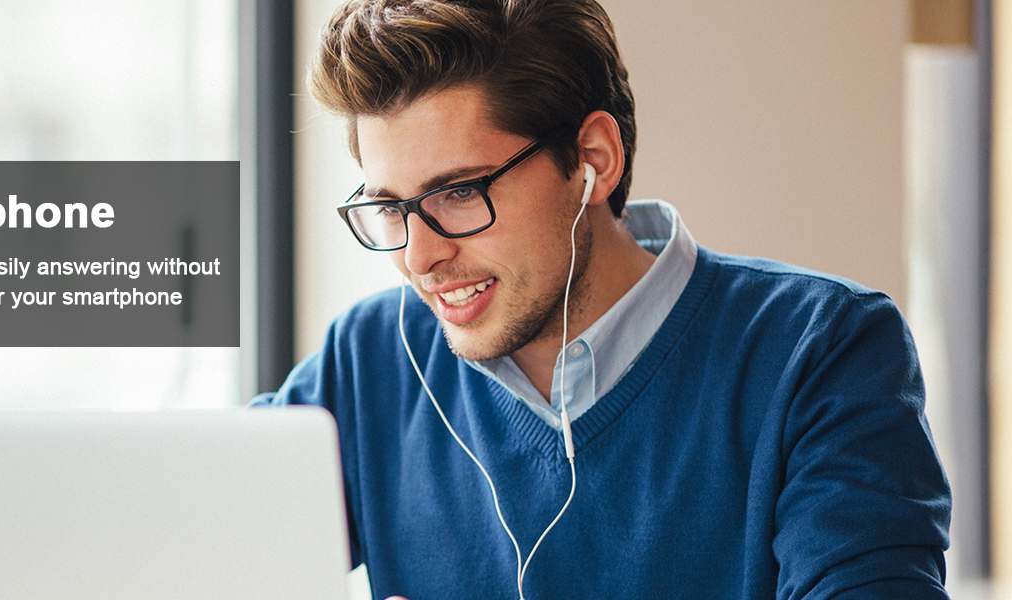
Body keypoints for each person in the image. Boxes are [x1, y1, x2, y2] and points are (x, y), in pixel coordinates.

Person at [251, 0, 953, 598]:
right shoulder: (370, 358)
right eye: (390, 208)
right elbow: (210, 541)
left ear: (593, 159)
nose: (418, 258)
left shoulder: (823, 352)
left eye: (459, 193)